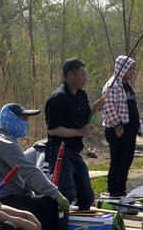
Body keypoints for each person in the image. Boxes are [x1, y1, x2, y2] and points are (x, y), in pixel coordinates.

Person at [0, 104, 70, 230]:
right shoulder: (5, 142)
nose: (26, 123)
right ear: (10, 119)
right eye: (24, 119)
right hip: (4, 199)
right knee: (50, 204)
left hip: (4, 197)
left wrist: (43, 190)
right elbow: (29, 171)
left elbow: (23, 175)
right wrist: (55, 194)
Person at [44, 59, 100, 211]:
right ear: (70, 75)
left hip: (76, 152)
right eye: (82, 75)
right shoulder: (58, 97)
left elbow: (86, 123)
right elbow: (53, 129)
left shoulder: (82, 96)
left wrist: (95, 111)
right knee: (66, 194)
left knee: (87, 196)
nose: (85, 78)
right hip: (60, 152)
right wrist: (78, 132)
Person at [101, 55, 141, 197]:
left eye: (134, 69)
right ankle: (113, 191)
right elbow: (109, 107)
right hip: (118, 130)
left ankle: (121, 190)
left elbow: (133, 107)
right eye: (131, 69)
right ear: (122, 68)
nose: (133, 72)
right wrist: (118, 127)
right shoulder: (112, 86)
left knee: (127, 161)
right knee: (117, 162)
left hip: (130, 130)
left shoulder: (127, 86)